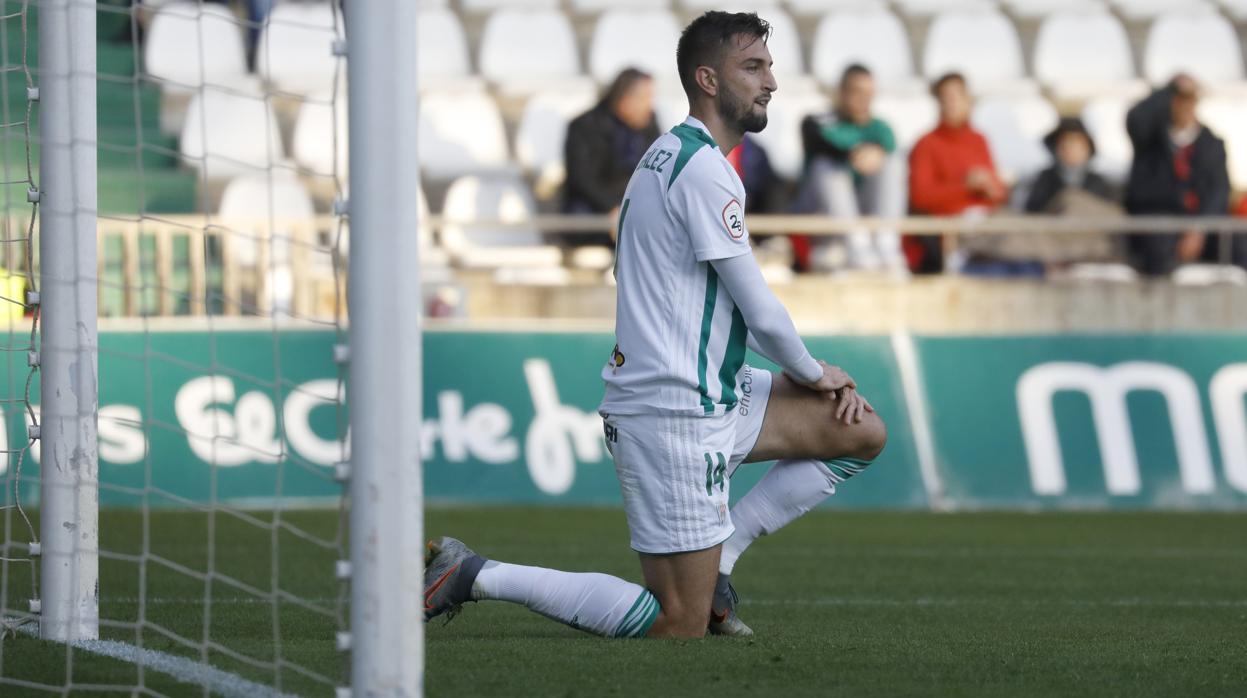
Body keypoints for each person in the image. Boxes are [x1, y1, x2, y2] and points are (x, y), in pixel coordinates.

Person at [424, 11, 887, 640]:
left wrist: (813, 386)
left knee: (859, 432)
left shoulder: (669, 155)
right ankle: (474, 573)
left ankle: (720, 559)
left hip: (709, 392)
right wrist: (814, 373)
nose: (770, 81)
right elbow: (761, 311)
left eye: (770, 66)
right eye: (752, 67)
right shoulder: (700, 169)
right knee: (678, 623)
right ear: (707, 79)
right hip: (673, 410)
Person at [797, 63, 906, 271]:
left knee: (892, 162)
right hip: (821, 209)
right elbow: (818, 142)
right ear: (842, 92)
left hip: (862, 208)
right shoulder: (818, 121)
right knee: (826, 165)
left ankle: (886, 241)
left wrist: (878, 154)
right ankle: (856, 242)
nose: (864, 100)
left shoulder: (881, 127)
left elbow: (888, 148)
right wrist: (854, 155)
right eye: (857, 92)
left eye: (869, 93)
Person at [1124, 74, 1234, 275]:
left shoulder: (1212, 145)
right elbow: (1134, 119)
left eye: (1189, 100)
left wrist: (1199, 228)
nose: (1184, 106)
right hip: (1160, 223)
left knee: (1237, 244)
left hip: (1201, 224)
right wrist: (1168, 89)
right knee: (1158, 251)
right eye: (1178, 99)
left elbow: (1220, 190)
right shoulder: (1150, 139)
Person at [906, 72, 1007, 273]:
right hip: (950, 231)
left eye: (957, 96)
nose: (952, 103)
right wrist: (965, 187)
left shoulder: (979, 141)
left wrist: (989, 188)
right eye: (946, 97)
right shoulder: (926, 144)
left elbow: (999, 192)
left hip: (986, 225)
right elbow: (920, 197)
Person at [563, 68, 661, 246]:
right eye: (645, 98)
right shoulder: (583, 127)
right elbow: (581, 179)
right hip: (594, 209)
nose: (649, 105)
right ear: (625, 99)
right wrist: (613, 207)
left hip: (636, 206)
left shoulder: (650, 124)